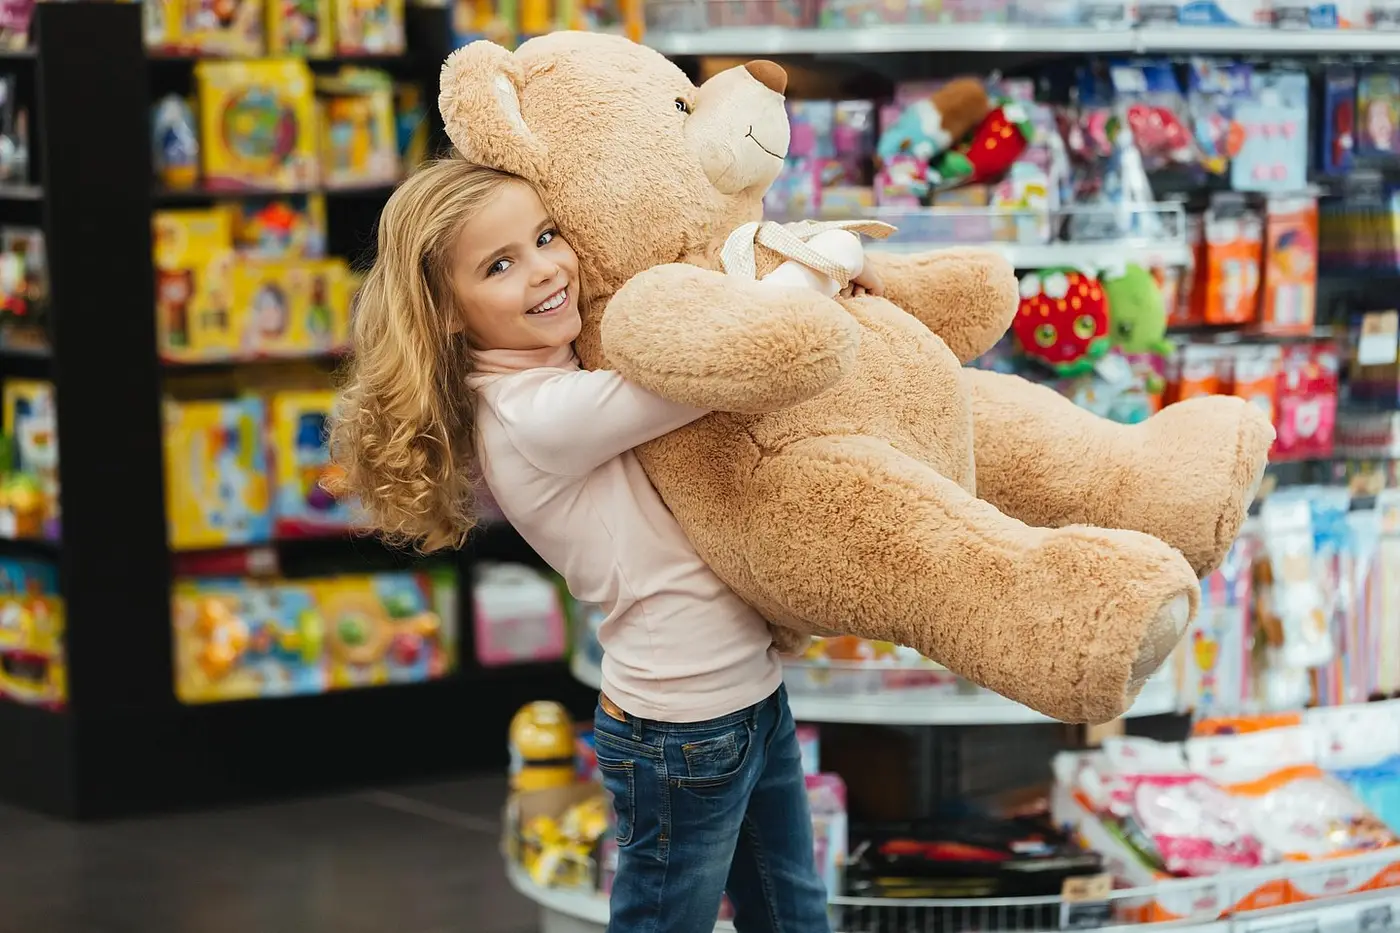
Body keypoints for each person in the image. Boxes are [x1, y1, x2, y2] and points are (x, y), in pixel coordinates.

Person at [331, 158, 880, 933]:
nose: (546, 268)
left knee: (792, 914)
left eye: (546, 235)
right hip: (679, 727)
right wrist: (824, 265)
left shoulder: (562, 365)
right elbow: (711, 366)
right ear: (447, 311)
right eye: (499, 264)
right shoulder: (535, 415)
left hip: (744, 694)